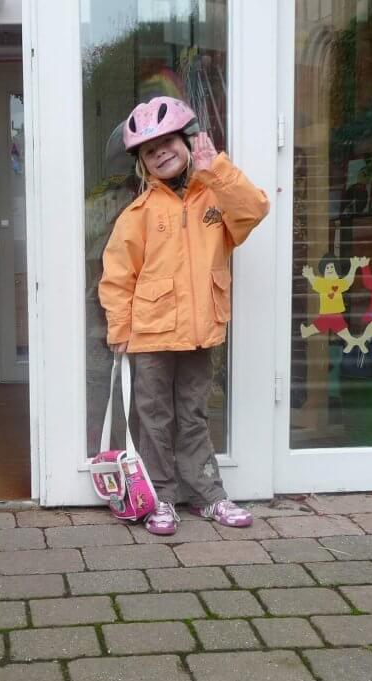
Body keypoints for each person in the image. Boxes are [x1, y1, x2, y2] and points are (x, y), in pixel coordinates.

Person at [99, 97, 269, 535]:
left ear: (188, 142)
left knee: (193, 413)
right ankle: (161, 497)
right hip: (151, 335)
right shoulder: (138, 214)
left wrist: (217, 168)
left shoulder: (217, 195)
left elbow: (254, 210)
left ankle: (208, 495)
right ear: (142, 163)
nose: (161, 152)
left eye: (169, 141)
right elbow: (118, 274)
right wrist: (119, 328)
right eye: (150, 150)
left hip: (199, 330)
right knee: (154, 416)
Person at [299, 253, 369, 353]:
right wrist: (309, 275)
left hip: (335, 314)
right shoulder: (323, 283)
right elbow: (315, 282)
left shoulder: (338, 283)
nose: (330, 269)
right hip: (327, 314)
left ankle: (354, 343)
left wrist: (353, 267)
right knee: (329, 327)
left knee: (326, 326)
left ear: (336, 269)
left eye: (332, 267)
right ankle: (355, 343)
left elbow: (348, 281)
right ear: (323, 270)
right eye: (327, 268)